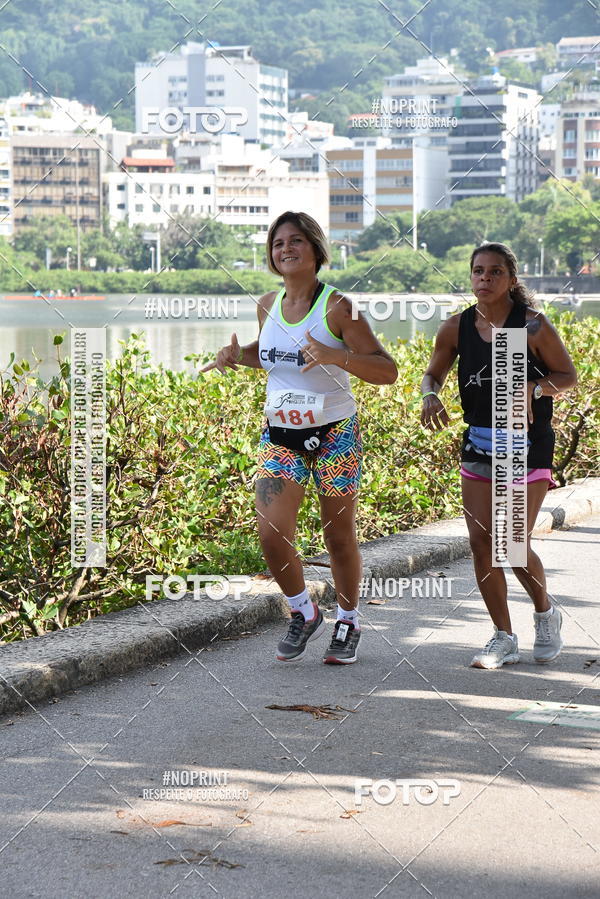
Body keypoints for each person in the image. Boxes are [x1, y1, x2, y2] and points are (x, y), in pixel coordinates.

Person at [202, 211, 397, 664]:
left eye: (295, 241)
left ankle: (347, 620)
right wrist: (238, 355)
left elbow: (386, 370)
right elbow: (271, 356)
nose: (285, 249)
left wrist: (336, 354)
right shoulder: (267, 304)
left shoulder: (338, 308)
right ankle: (303, 612)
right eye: (277, 243)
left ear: (315, 250)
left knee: (339, 537)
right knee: (271, 534)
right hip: (281, 436)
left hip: (335, 435)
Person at [420, 243, 577, 669]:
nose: (484, 279)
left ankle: (545, 612)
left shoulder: (531, 327)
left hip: (527, 444)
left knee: (511, 544)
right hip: (480, 442)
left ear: (511, 278)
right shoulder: (455, 327)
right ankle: (503, 636)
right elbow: (433, 372)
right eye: (477, 272)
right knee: (480, 542)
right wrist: (429, 395)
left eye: (493, 272)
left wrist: (534, 388)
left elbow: (568, 376)